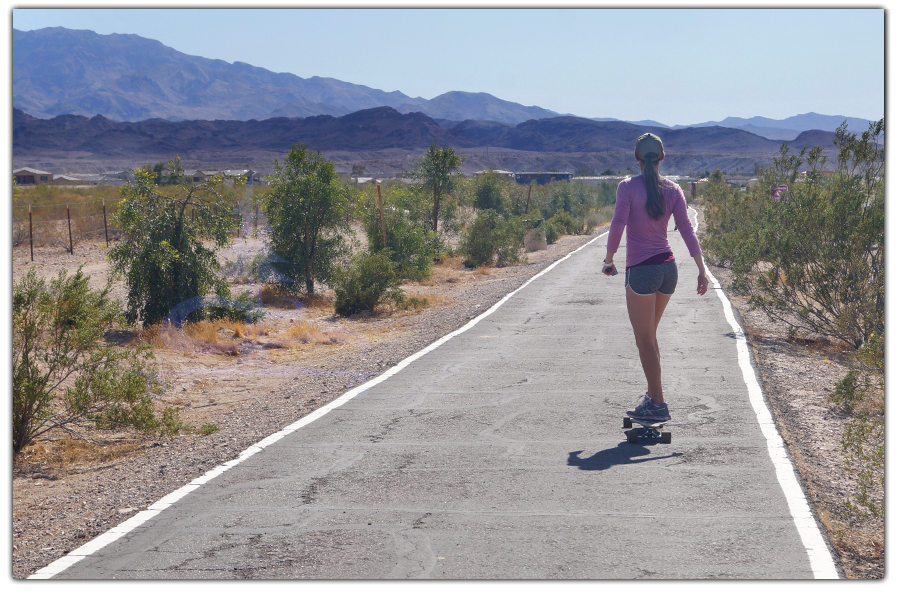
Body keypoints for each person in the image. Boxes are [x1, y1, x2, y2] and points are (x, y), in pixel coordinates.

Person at [602, 133, 708, 422]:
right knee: (649, 337)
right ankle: (651, 397)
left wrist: (609, 259)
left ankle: (658, 403)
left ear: (637, 158)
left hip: (642, 271)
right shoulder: (674, 190)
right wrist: (701, 269)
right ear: (661, 157)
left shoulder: (627, 187)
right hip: (668, 270)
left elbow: (618, 224)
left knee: (645, 339)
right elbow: (687, 229)